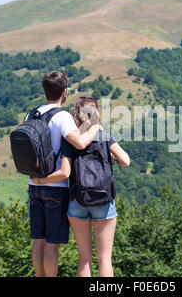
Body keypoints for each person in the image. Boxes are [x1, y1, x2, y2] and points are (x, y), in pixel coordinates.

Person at [34, 96, 130, 277]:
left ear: (76, 117)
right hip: (103, 200)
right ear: (95, 114)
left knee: (84, 258)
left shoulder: (70, 140)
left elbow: (66, 170)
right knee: (105, 259)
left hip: (78, 200)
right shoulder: (104, 135)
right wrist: (112, 157)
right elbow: (126, 161)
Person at [28, 71, 101, 277]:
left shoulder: (32, 114)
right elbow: (79, 142)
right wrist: (95, 128)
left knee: (38, 239)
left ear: (45, 91)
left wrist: (39, 178)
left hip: (34, 185)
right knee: (52, 243)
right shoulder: (62, 117)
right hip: (56, 187)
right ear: (65, 92)